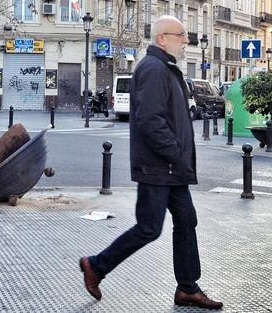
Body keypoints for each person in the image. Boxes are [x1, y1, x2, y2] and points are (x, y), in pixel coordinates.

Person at [78, 16, 223, 310]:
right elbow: (149, 120)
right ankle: (96, 265)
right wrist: (174, 152)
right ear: (162, 39)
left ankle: (187, 288)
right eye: (181, 35)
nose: (186, 40)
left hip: (171, 169)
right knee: (149, 227)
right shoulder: (154, 69)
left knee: (186, 221)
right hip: (159, 167)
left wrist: (178, 157)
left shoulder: (166, 68)